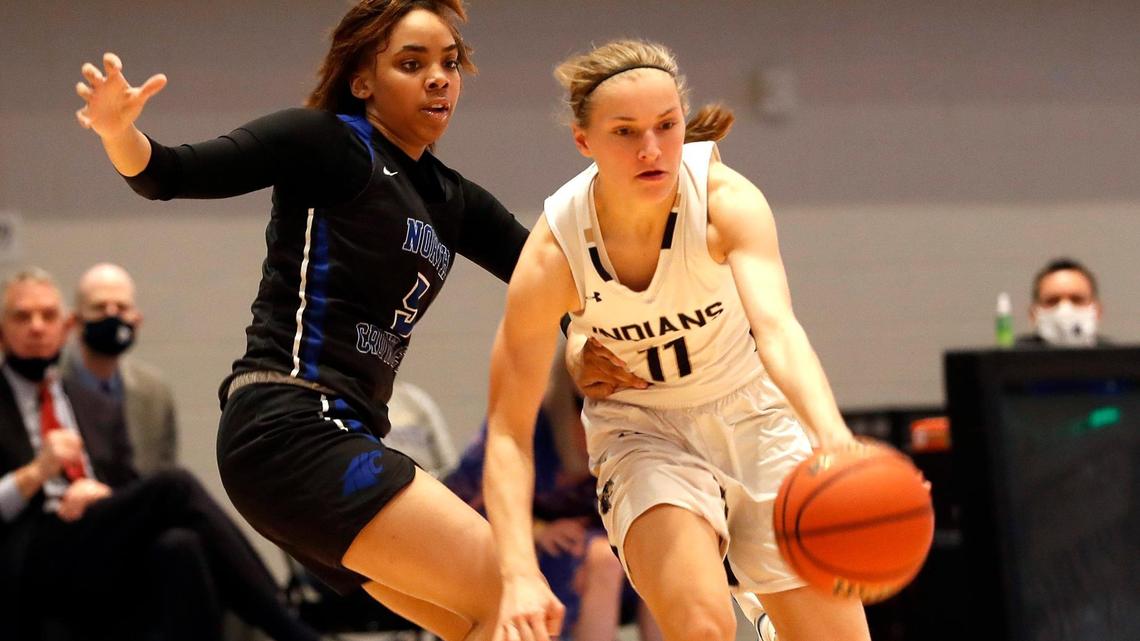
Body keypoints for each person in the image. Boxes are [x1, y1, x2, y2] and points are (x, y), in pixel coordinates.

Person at [75, 3, 628, 640]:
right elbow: (167, 172)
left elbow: (554, 280)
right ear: (363, 80)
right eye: (412, 64)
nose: (439, 78)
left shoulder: (453, 200)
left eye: (449, 63)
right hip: (289, 424)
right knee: (513, 594)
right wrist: (118, 131)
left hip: (334, 440)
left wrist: (589, 336)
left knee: (477, 621)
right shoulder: (326, 143)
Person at [482, 40, 873, 641]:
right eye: (625, 132)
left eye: (666, 126)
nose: (651, 148)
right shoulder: (555, 252)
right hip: (644, 431)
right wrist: (517, 573)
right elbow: (509, 431)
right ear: (584, 141)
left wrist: (834, 438)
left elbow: (777, 330)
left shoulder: (725, 202)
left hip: (755, 418)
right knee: (702, 625)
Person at [0, 268, 319, 641]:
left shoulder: (83, 396)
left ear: (66, 326)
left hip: (95, 539)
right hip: (32, 549)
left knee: (180, 545)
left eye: (48, 315)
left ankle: (282, 625)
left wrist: (99, 493)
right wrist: (36, 472)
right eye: (22, 316)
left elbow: (123, 478)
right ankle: (292, 626)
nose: (37, 327)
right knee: (174, 485)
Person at [445, 345, 662, 641]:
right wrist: (536, 531)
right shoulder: (533, 416)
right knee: (604, 561)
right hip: (534, 546)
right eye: (584, 406)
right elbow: (461, 502)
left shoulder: (637, 421)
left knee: (662, 555)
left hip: (609, 537)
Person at [61, 262, 177, 476]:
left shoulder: (155, 392)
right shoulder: (50, 385)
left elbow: (164, 471)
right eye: (99, 307)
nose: (111, 315)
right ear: (76, 321)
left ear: (137, 319)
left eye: (122, 307)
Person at [1016, 257, 1109, 348]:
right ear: (1033, 314)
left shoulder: (1115, 356)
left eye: (1077, 300)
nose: (1064, 310)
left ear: (1098, 312)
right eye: (1052, 301)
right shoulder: (1014, 357)